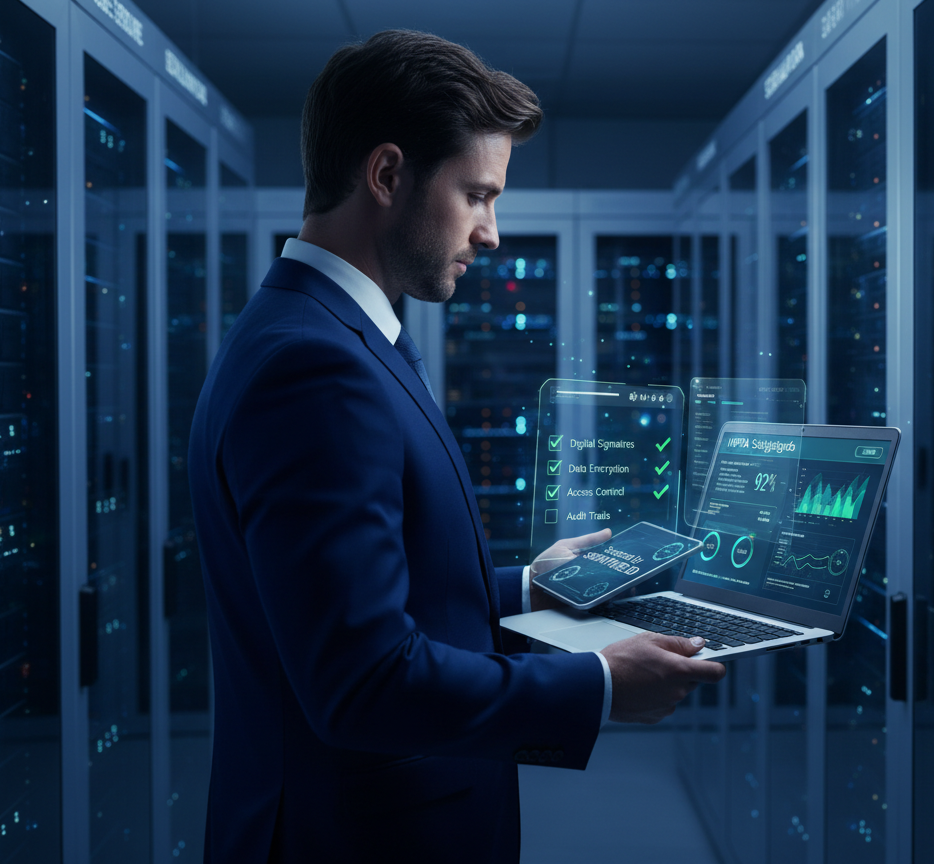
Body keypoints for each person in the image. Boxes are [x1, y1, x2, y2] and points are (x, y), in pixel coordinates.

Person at [188, 29, 726, 863]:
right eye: (477, 195)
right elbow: (361, 681)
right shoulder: (314, 366)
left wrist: (525, 591)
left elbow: (362, 601)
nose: (492, 233)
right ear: (388, 174)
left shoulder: (326, 335)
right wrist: (603, 684)